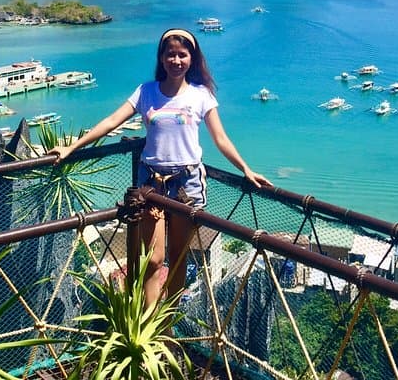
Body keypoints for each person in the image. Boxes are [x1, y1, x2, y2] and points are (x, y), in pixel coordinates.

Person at [49, 27, 271, 305]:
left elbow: (221, 138)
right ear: (161, 58)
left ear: (192, 59)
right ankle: (149, 325)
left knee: (178, 260)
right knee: (153, 260)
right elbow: (111, 122)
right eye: (170, 55)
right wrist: (72, 148)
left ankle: (167, 328)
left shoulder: (201, 95)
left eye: (182, 55)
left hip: (186, 182)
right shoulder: (146, 91)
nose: (176, 61)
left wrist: (245, 170)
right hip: (150, 183)